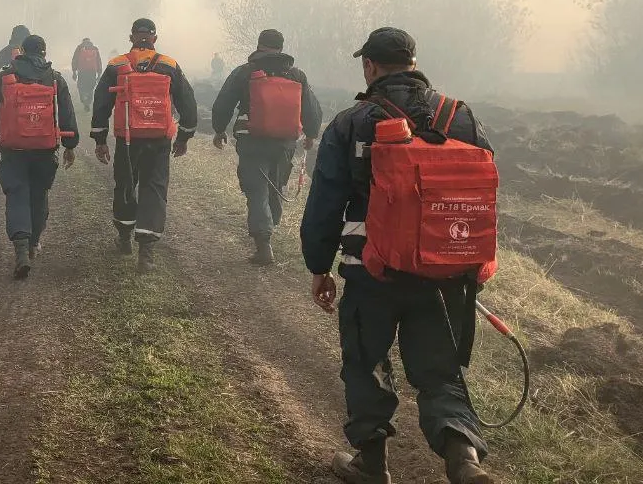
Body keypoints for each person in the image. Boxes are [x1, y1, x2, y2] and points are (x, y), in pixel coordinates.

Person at [300, 28, 496, 484]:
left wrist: (318, 266)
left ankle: (372, 464)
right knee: (439, 368)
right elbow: (482, 193)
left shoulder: (353, 122)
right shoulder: (460, 117)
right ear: (413, 62)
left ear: (369, 66)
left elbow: (325, 203)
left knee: (366, 362)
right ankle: (463, 458)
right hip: (444, 272)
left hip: (373, 272)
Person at [90, 18, 199, 272]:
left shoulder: (117, 65)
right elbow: (188, 103)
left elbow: (101, 103)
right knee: (155, 188)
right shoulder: (168, 65)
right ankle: (146, 253)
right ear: (154, 39)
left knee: (126, 185)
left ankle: (125, 238)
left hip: (127, 139)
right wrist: (183, 136)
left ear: (131, 37)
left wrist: (99, 139)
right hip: (159, 140)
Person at [211, 29, 322, 265]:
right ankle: (271, 224)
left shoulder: (245, 72)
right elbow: (311, 108)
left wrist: (219, 129)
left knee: (257, 189)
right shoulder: (296, 75)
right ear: (282, 47)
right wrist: (311, 134)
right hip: (285, 142)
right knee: (277, 185)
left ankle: (264, 243)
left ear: (259, 45)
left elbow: (224, 102)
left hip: (252, 140)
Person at [0, 34, 79, 278]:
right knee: (38, 194)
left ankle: (21, 250)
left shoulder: (5, 77)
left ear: (22, 51)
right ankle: (34, 242)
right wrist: (70, 144)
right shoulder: (55, 78)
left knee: (17, 195)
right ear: (44, 52)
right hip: (45, 149)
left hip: (13, 148)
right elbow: (66, 112)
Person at [70, 37, 103, 111]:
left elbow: (74, 60)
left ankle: (84, 100)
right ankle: (88, 101)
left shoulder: (79, 48)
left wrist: (74, 72)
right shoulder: (95, 48)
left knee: (81, 87)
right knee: (91, 87)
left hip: (82, 72)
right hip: (92, 72)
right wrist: (99, 74)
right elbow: (99, 61)